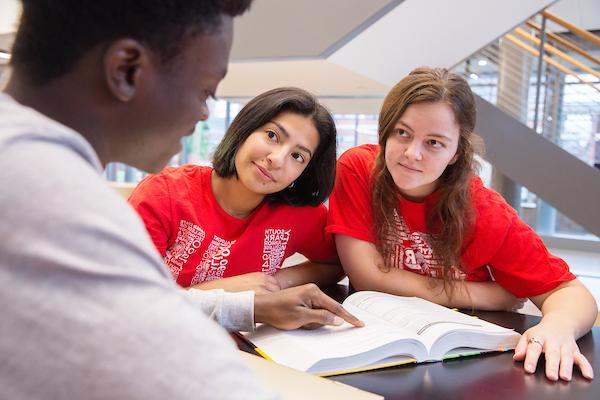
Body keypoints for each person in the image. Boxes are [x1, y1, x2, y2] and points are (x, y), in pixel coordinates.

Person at [0, 1, 361, 399]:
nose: (204, 114)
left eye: (298, 156)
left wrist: (256, 301)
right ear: (126, 70)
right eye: (203, 89)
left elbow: (142, 309)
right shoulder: (61, 206)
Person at [327, 67, 596, 382]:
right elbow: (367, 275)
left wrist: (556, 327)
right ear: (385, 131)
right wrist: (488, 295)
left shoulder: (485, 212)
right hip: (371, 349)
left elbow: (570, 293)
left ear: (456, 152)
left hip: (460, 363)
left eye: (434, 143)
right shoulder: (358, 169)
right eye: (402, 132)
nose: (412, 153)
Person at [128, 87, 343, 295]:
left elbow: (336, 264)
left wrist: (274, 282)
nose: (276, 160)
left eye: (298, 157)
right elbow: (134, 296)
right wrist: (226, 291)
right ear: (246, 129)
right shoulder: (163, 194)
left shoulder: (300, 215)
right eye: (272, 135)